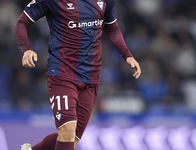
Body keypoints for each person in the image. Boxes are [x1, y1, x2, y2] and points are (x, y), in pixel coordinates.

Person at [13, 0, 141, 150]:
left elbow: (112, 29)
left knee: (71, 138)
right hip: (62, 73)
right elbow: (21, 23)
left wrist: (127, 55)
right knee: (67, 130)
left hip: (91, 76)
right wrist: (26, 49)